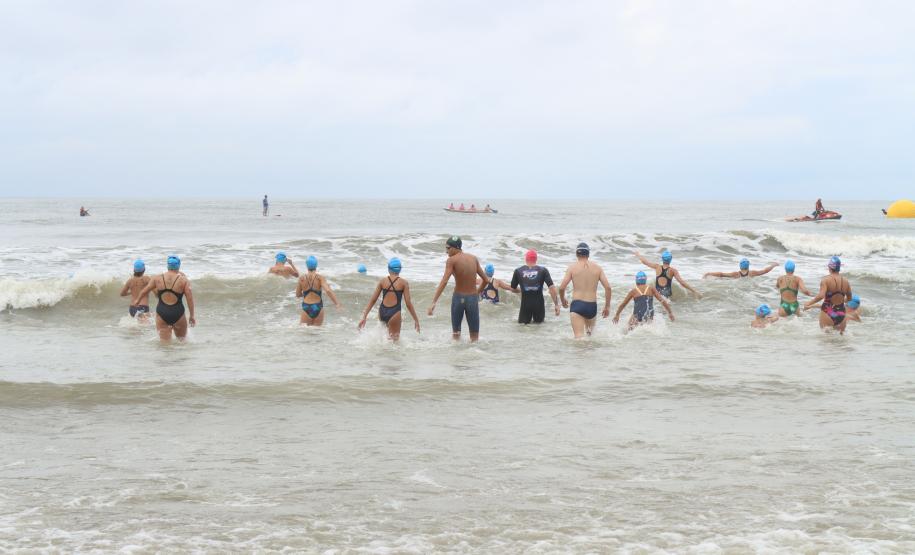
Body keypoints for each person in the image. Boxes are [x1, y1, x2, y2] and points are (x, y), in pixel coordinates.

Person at [428, 236, 489, 342]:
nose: (446, 251)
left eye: (448, 248)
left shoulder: (451, 260)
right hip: (472, 299)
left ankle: (456, 358)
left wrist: (434, 302)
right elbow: (486, 280)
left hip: (458, 298)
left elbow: (444, 281)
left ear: (456, 248)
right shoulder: (473, 258)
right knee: (474, 337)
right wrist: (477, 293)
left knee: (456, 335)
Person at [132, 255, 196, 342]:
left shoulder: (157, 278)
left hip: (162, 313)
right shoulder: (183, 280)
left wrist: (137, 300)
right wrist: (192, 316)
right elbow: (190, 299)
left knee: (164, 344)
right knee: (182, 342)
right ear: (179, 266)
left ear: (168, 266)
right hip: (178, 313)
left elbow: (144, 291)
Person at [358, 258, 421, 341]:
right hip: (394, 313)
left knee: (383, 339)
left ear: (388, 268)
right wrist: (416, 320)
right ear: (400, 270)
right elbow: (408, 304)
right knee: (394, 344)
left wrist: (364, 316)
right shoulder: (404, 283)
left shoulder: (382, 281)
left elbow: (373, 300)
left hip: (382, 312)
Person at [557, 243, 612, 338]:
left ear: (577, 254)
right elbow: (608, 288)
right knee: (589, 337)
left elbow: (561, 288)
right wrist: (607, 306)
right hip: (592, 306)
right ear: (588, 254)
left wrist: (563, 301)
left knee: (579, 338)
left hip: (577, 305)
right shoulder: (598, 268)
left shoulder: (572, 268)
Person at [803, 256, 852, 333]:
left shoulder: (825, 280)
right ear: (839, 268)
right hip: (841, 313)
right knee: (840, 343)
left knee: (825, 341)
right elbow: (849, 299)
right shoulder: (846, 281)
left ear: (830, 267)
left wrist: (809, 303)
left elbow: (821, 296)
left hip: (828, 312)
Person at [510, 249, 560, 324]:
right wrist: (556, 305)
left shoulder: (518, 271)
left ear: (526, 259)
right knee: (539, 327)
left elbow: (513, 288)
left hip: (525, 305)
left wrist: (522, 290)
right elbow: (552, 288)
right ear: (536, 259)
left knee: (522, 327)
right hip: (539, 305)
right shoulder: (543, 270)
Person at [635, 250, 701, 299]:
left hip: (658, 293)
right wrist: (694, 291)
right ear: (671, 259)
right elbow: (681, 282)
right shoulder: (673, 270)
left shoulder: (657, 267)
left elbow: (645, 262)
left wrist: (638, 255)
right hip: (667, 294)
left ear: (662, 259)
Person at [295, 256, 341, 326]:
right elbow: (328, 291)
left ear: (307, 265)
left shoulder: (301, 278)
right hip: (318, 306)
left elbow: (298, 295)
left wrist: (306, 294)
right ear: (316, 265)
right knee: (317, 333)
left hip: (306, 307)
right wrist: (337, 303)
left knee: (304, 333)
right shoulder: (320, 278)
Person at [704, 258, 777, 279]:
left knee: (721, 278)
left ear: (740, 266)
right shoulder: (752, 273)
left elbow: (721, 274)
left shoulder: (735, 274)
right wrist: (773, 265)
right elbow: (765, 271)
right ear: (748, 266)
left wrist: (709, 273)